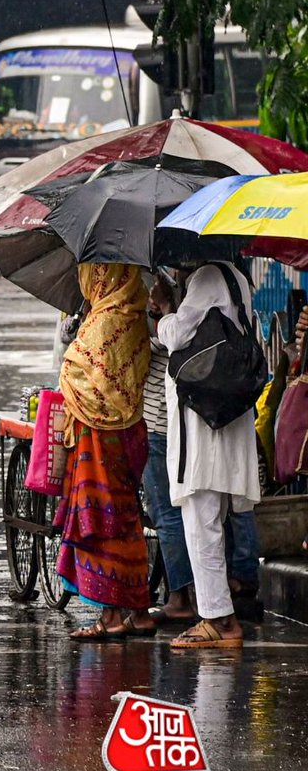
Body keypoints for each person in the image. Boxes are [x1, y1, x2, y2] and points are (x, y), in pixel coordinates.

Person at [154, 262, 261, 648]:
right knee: (210, 519)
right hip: (222, 419)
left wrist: (164, 311)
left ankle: (219, 619)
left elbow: (178, 335)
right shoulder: (236, 277)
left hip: (202, 426)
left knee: (201, 521)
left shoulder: (206, 277)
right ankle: (218, 614)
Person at [56, 263, 151, 641]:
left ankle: (110, 616)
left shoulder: (101, 323)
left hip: (98, 439)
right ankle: (139, 611)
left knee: (100, 519)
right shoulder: (136, 318)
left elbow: (75, 375)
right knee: (127, 519)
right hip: (131, 432)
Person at [138, 281, 198, 626]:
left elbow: (163, 343)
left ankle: (180, 597)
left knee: (166, 513)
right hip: (172, 422)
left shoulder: (177, 312)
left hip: (159, 423)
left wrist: (161, 309)